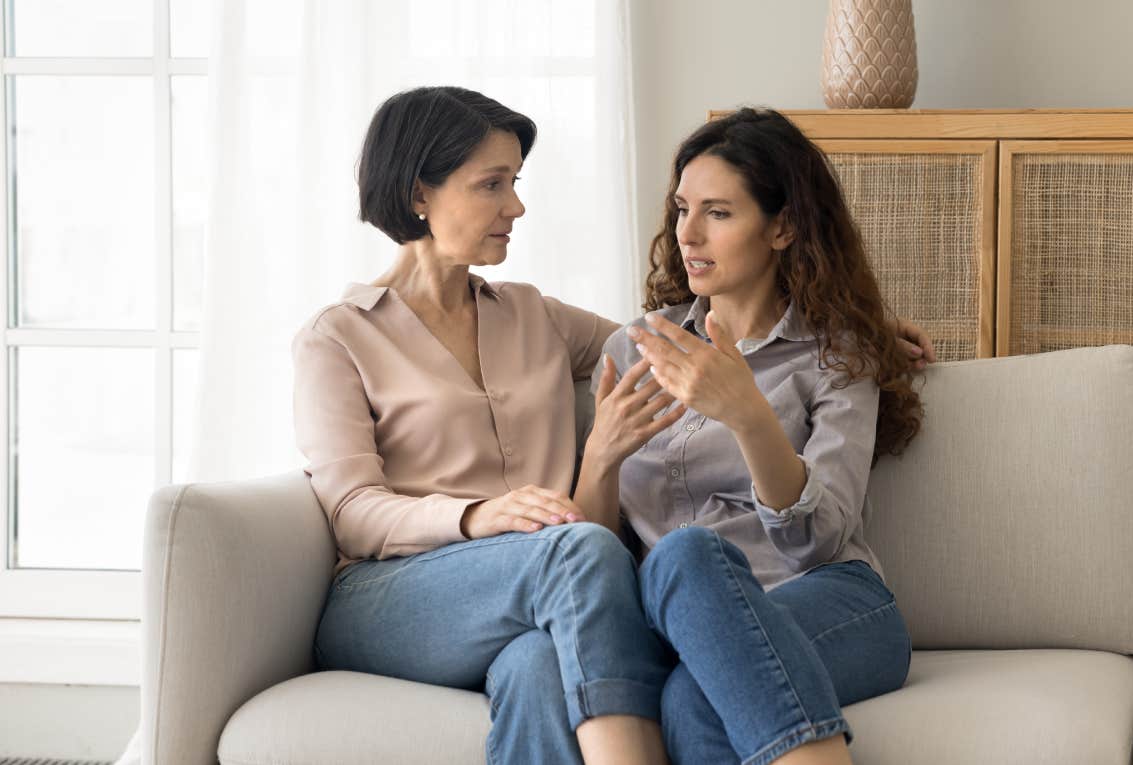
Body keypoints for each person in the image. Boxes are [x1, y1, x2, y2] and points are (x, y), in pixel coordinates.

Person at [295, 87, 936, 765]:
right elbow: (351, 512)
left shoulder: (535, 316)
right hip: (417, 585)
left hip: (656, 597)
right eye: (493, 184)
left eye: (514, 182)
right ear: (419, 190)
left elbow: (687, 341)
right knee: (601, 553)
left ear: (781, 226)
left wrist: (855, 327)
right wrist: (485, 512)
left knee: (548, 669)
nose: (516, 205)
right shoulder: (338, 337)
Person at [576, 107, 920, 765]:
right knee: (683, 610)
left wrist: (748, 415)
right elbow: (593, 555)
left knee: (683, 569)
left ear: (784, 225)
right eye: (681, 209)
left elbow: (817, 537)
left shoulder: (838, 357)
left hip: (835, 603)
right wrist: (599, 457)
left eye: (719, 212)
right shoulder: (635, 346)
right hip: (684, 622)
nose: (688, 233)